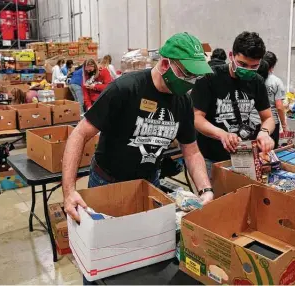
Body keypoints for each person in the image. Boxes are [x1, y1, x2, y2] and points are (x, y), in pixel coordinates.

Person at [63, 31, 214, 238]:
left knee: (146, 244)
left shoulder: (183, 101)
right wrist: (69, 192)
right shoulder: (125, 89)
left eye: (195, 77)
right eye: (187, 75)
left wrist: (205, 190)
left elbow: (191, 150)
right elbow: (79, 134)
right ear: (164, 66)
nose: (191, 82)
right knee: (106, 247)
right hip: (108, 182)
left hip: (150, 182)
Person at [191, 31, 275, 178]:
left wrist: (265, 132)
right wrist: (221, 134)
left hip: (244, 155)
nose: (248, 70)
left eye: (254, 66)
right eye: (242, 64)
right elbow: (196, 118)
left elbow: (268, 117)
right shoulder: (209, 77)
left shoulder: (257, 82)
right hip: (212, 157)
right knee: (216, 199)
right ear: (231, 56)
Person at [250, 51, 287, 149]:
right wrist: (283, 124)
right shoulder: (276, 82)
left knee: (255, 153)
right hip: (271, 124)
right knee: (269, 153)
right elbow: (279, 107)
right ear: (273, 66)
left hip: (253, 121)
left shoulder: (252, 79)